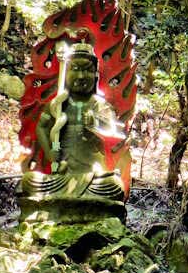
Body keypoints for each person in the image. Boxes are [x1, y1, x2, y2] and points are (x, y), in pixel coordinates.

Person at [22, 41, 126, 203]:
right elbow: (42, 127)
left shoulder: (100, 105)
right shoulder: (58, 104)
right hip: (62, 174)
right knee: (29, 181)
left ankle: (67, 201)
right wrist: (51, 153)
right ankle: (71, 199)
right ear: (67, 72)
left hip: (93, 175)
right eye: (75, 69)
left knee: (114, 185)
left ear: (96, 76)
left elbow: (114, 136)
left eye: (87, 70)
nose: (81, 76)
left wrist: (96, 125)